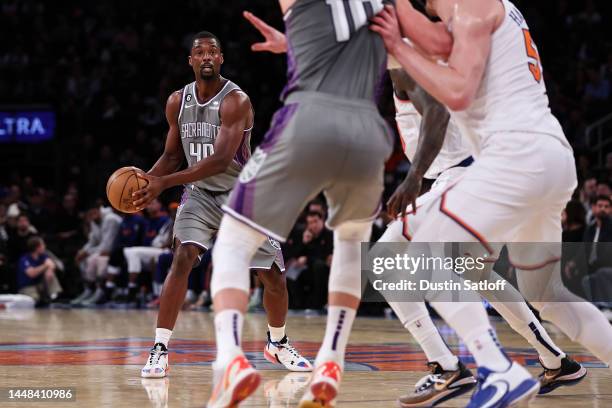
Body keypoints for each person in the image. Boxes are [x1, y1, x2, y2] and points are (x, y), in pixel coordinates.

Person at [371, 0, 612, 405]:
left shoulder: (470, 6)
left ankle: (490, 369)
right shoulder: (483, 12)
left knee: (409, 257)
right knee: (547, 295)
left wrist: (401, 47)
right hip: (548, 158)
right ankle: (548, 358)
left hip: (508, 159)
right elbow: (429, 35)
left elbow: (457, 94)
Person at [203, 1, 394, 404]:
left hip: (309, 118)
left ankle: (230, 360)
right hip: (368, 128)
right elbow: (351, 41)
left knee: (234, 241)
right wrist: (296, 44)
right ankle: (331, 360)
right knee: (351, 244)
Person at [131, 31, 311, 379]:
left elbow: (219, 160)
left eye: (213, 51)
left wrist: (163, 184)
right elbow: (171, 155)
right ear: (191, 61)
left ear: (222, 59)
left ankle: (277, 343)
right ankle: (159, 348)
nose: (207, 57)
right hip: (199, 194)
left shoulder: (236, 101)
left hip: (242, 195)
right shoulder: (176, 101)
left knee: (272, 277)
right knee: (182, 257)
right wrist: (145, 184)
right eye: (200, 52)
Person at [71, 204, 121, 305]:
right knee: (82, 259)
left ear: (99, 210)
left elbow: (107, 245)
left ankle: (100, 292)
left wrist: (88, 252)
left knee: (95, 259)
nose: (91, 216)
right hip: (101, 251)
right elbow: (92, 241)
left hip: (116, 250)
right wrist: (82, 252)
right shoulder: (93, 221)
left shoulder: (111, 219)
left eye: (93, 213)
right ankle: (88, 290)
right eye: (88, 215)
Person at [17, 236, 62, 304]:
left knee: (50, 272)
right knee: (34, 300)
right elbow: (32, 274)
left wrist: (49, 270)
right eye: (43, 244)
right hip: (27, 287)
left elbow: (51, 264)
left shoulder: (43, 256)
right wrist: (45, 266)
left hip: (40, 285)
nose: (45, 246)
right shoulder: (24, 259)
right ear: (37, 247)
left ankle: (54, 296)